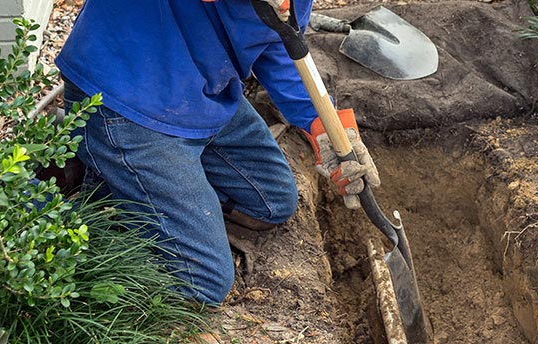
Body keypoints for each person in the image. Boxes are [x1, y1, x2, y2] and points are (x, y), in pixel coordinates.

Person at [56, 0, 380, 305]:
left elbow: (282, 47)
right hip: (128, 94)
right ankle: (92, 191)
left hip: (202, 92)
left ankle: (124, 175)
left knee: (273, 202)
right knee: (202, 280)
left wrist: (325, 127)